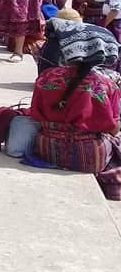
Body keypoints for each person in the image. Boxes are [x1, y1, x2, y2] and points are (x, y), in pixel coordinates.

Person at [29, 24, 121, 200]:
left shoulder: (46, 76)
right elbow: (113, 128)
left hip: (47, 150)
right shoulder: (106, 83)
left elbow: (35, 114)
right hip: (89, 157)